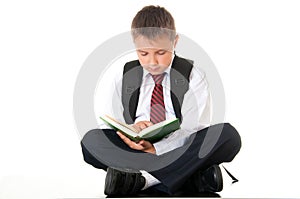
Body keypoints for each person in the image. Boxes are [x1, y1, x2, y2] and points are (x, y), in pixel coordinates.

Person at [81, 5, 241, 196]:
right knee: (91, 141)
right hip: (138, 149)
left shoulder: (193, 76)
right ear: (135, 46)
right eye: (143, 53)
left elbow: (191, 128)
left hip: (181, 147)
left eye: (160, 53)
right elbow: (112, 123)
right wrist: (132, 130)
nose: (152, 62)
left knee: (228, 136)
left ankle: (143, 180)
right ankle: (192, 176)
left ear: (175, 42)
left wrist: (156, 148)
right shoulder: (125, 76)